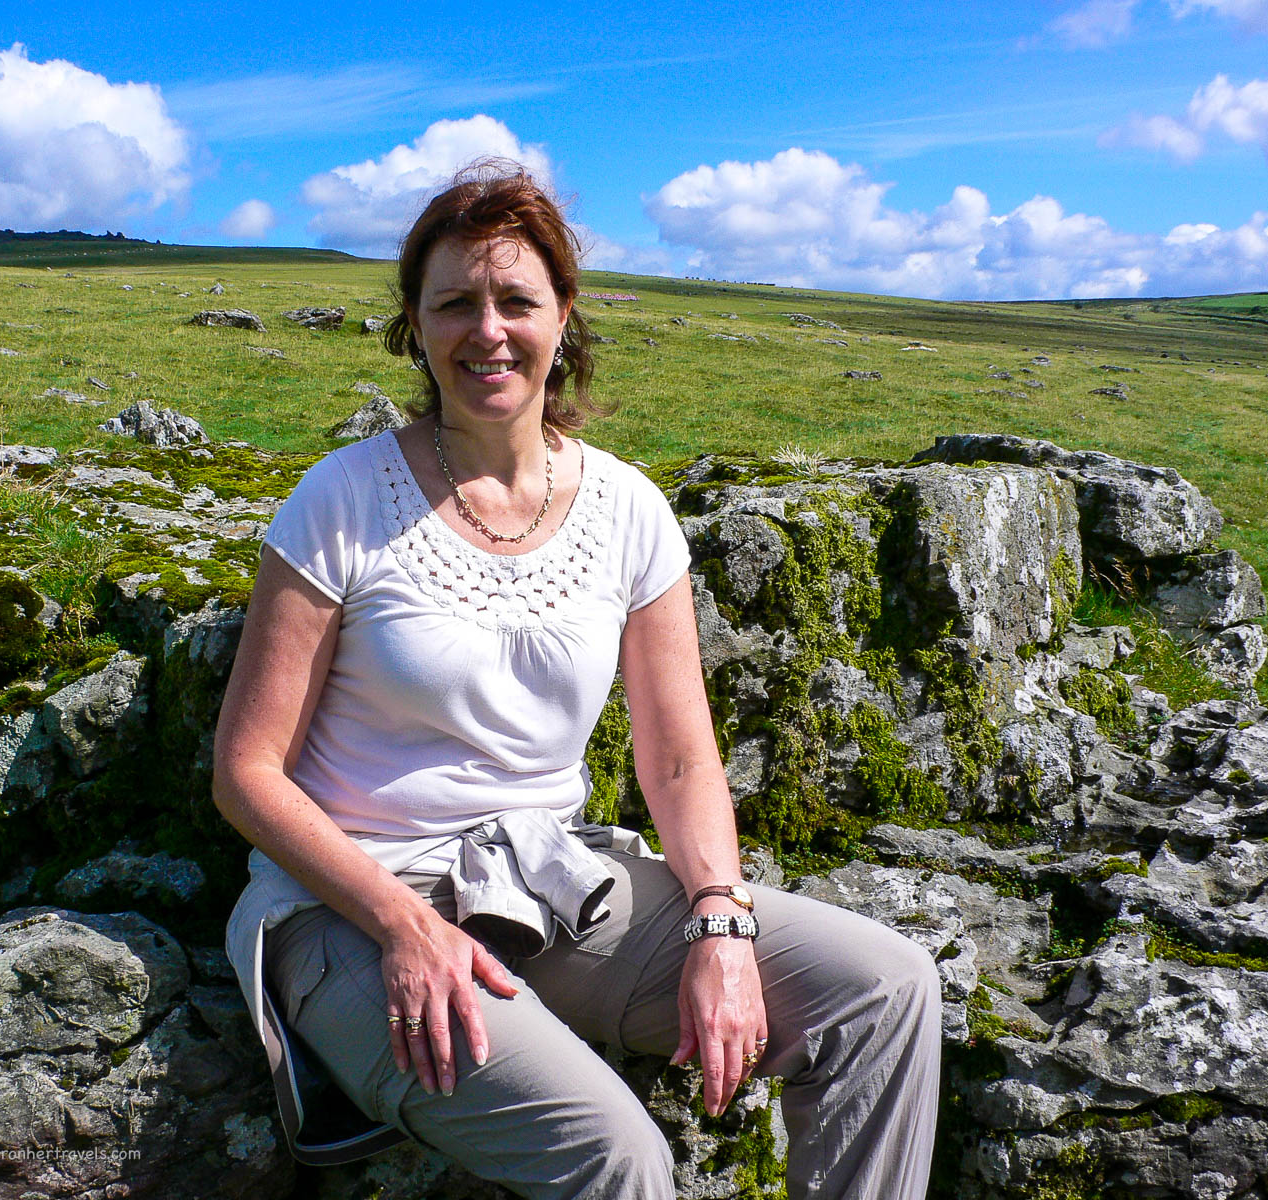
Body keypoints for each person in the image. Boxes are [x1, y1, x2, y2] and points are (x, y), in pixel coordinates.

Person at [215, 161, 941, 1199]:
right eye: (455, 302)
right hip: (351, 914)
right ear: (414, 327)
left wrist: (721, 924)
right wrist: (402, 923)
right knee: (618, 1155)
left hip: (545, 887)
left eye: (517, 299)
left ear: (563, 317)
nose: (488, 330)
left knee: (886, 992)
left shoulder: (629, 510)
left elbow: (682, 757)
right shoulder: (340, 500)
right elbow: (246, 773)